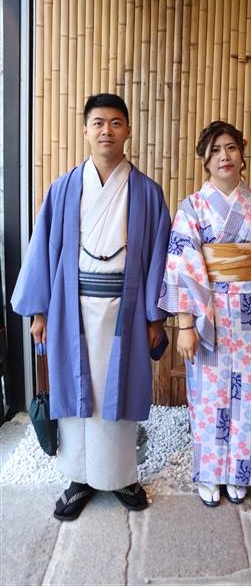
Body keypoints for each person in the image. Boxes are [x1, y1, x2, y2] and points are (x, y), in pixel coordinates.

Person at [11, 93, 170, 521]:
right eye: (98, 123)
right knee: (75, 390)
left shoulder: (147, 193)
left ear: (128, 130)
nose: (106, 131)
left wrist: (156, 317)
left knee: (119, 391)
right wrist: (40, 312)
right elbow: (43, 251)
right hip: (72, 306)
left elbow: (159, 257)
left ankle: (121, 476)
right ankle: (78, 477)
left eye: (115, 123)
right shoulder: (63, 189)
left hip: (127, 309)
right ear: (85, 130)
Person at [158, 121, 251, 506]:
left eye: (231, 148)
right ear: (205, 161)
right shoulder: (192, 207)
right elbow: (181, 266)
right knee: (208, 394)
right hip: (209, 312)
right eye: (215, 151)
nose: (224, 156)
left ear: (242, 153)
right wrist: (185, 324)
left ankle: (244, 472)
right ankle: (209, 472)